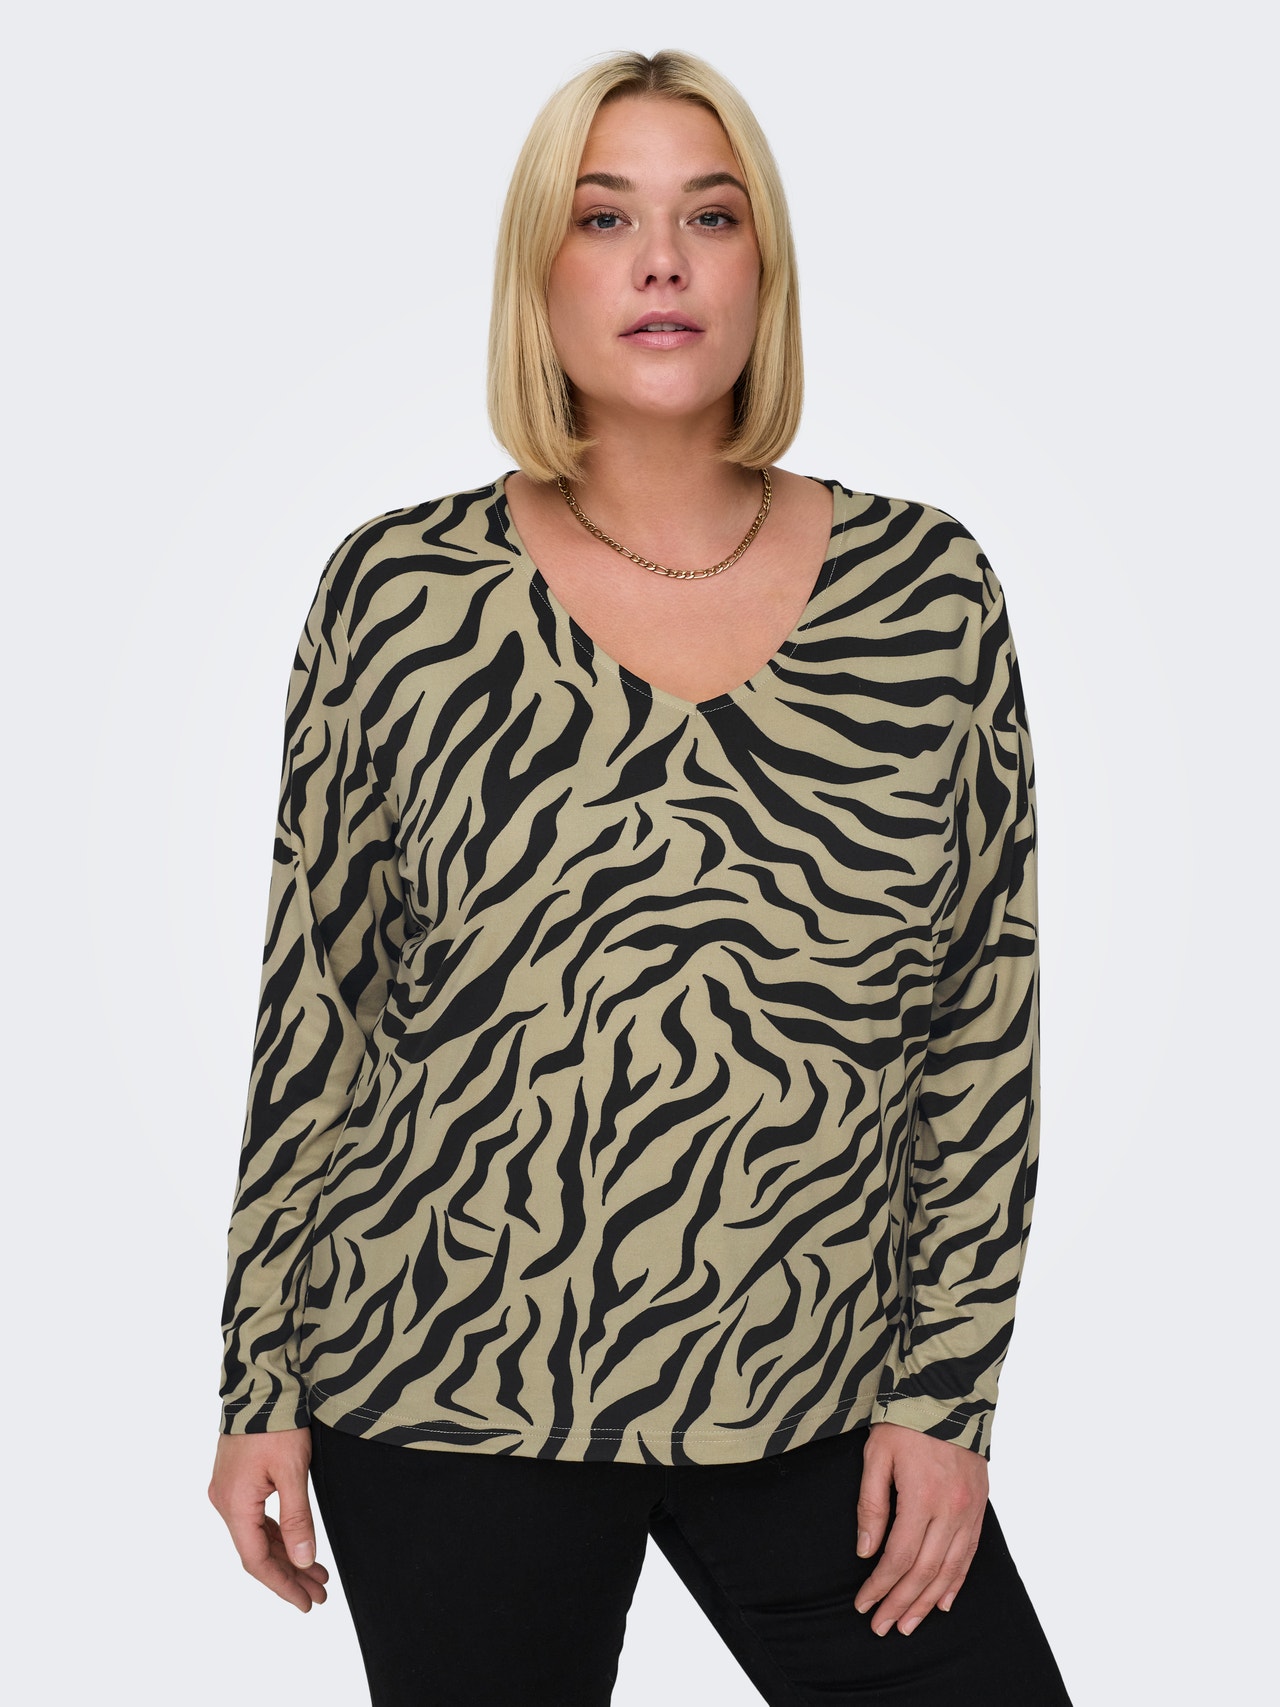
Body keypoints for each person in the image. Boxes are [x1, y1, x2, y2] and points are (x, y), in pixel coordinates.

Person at [207, 47, 1073, 1707]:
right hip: (447, 1383)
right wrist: (260, 1380)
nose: (661, 262)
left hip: (823, 1396)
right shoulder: (401, 594)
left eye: (710, 217)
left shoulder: (928, 592)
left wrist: (946, 1397)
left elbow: (983, 1021)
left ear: (765, 268)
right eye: (605, 219)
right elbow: (316, 1010)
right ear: (540, 274)